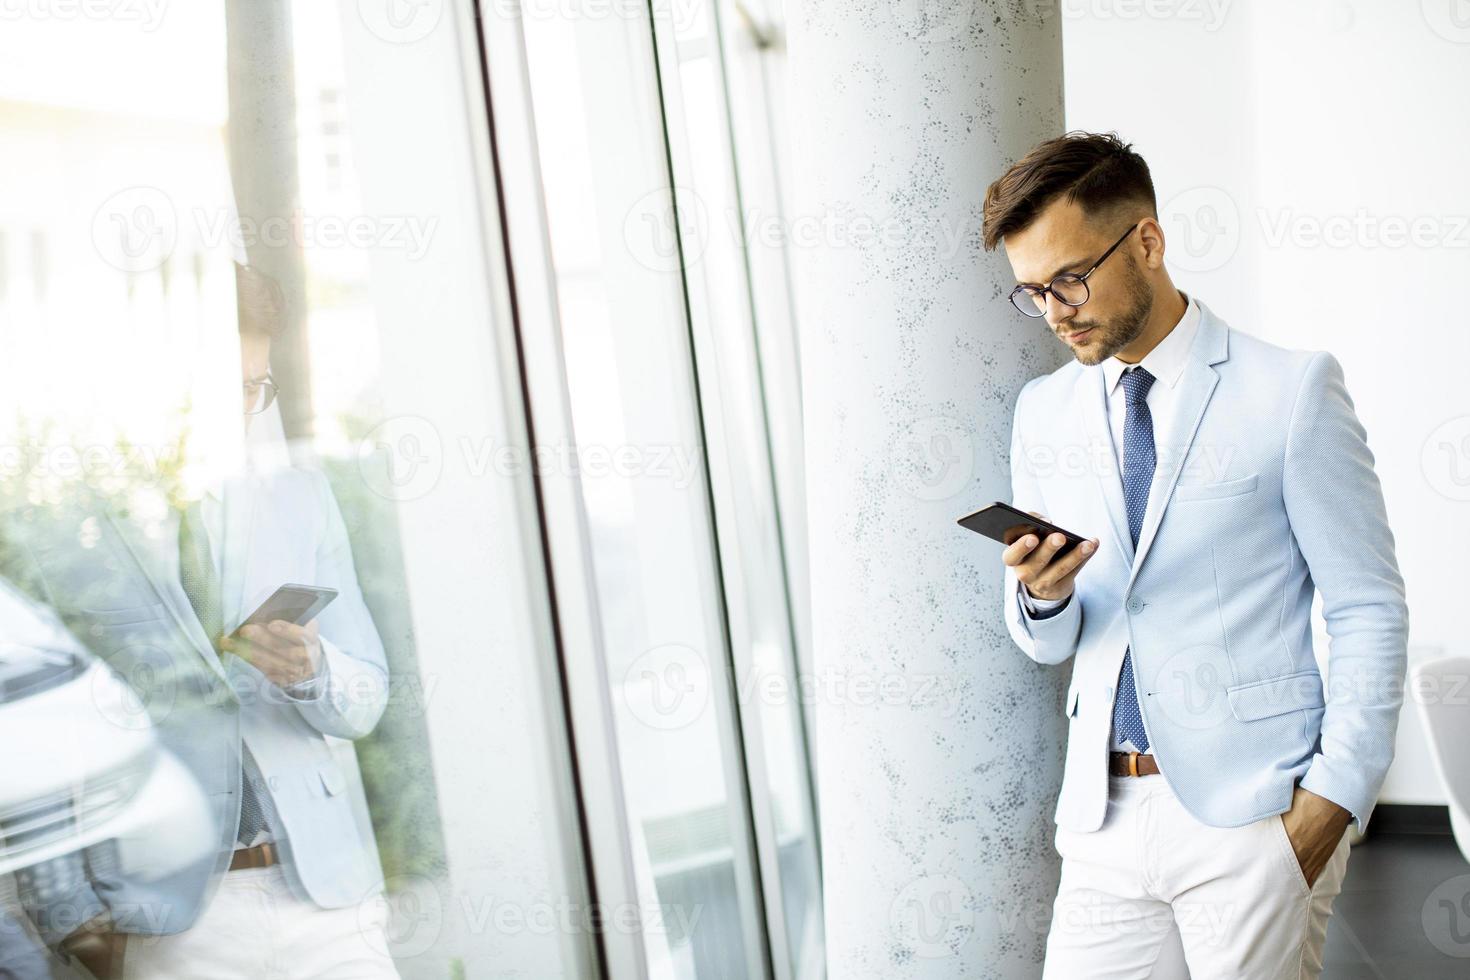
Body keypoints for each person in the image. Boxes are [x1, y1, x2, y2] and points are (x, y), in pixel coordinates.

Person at [982, 132, 1407, 979]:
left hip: (1253, 814)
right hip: (1101, 819)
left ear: (1147, 241)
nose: (1057, 311)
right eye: (1034, 293)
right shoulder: (1044, 411)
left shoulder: (1290, 391)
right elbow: (1045, 642)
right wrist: (1044, 597)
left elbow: (1368, 606)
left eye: (1071, 278)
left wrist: (1332, 801)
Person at [7, 263, 398, 979]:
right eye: (225, 386)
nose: (242, 407)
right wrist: (76, 925)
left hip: (331, 904)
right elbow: (34, 735)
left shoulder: (300, 496)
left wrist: (316, 672)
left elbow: (368, 698)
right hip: (174, 926)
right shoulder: (69, 523)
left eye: (256, 387)